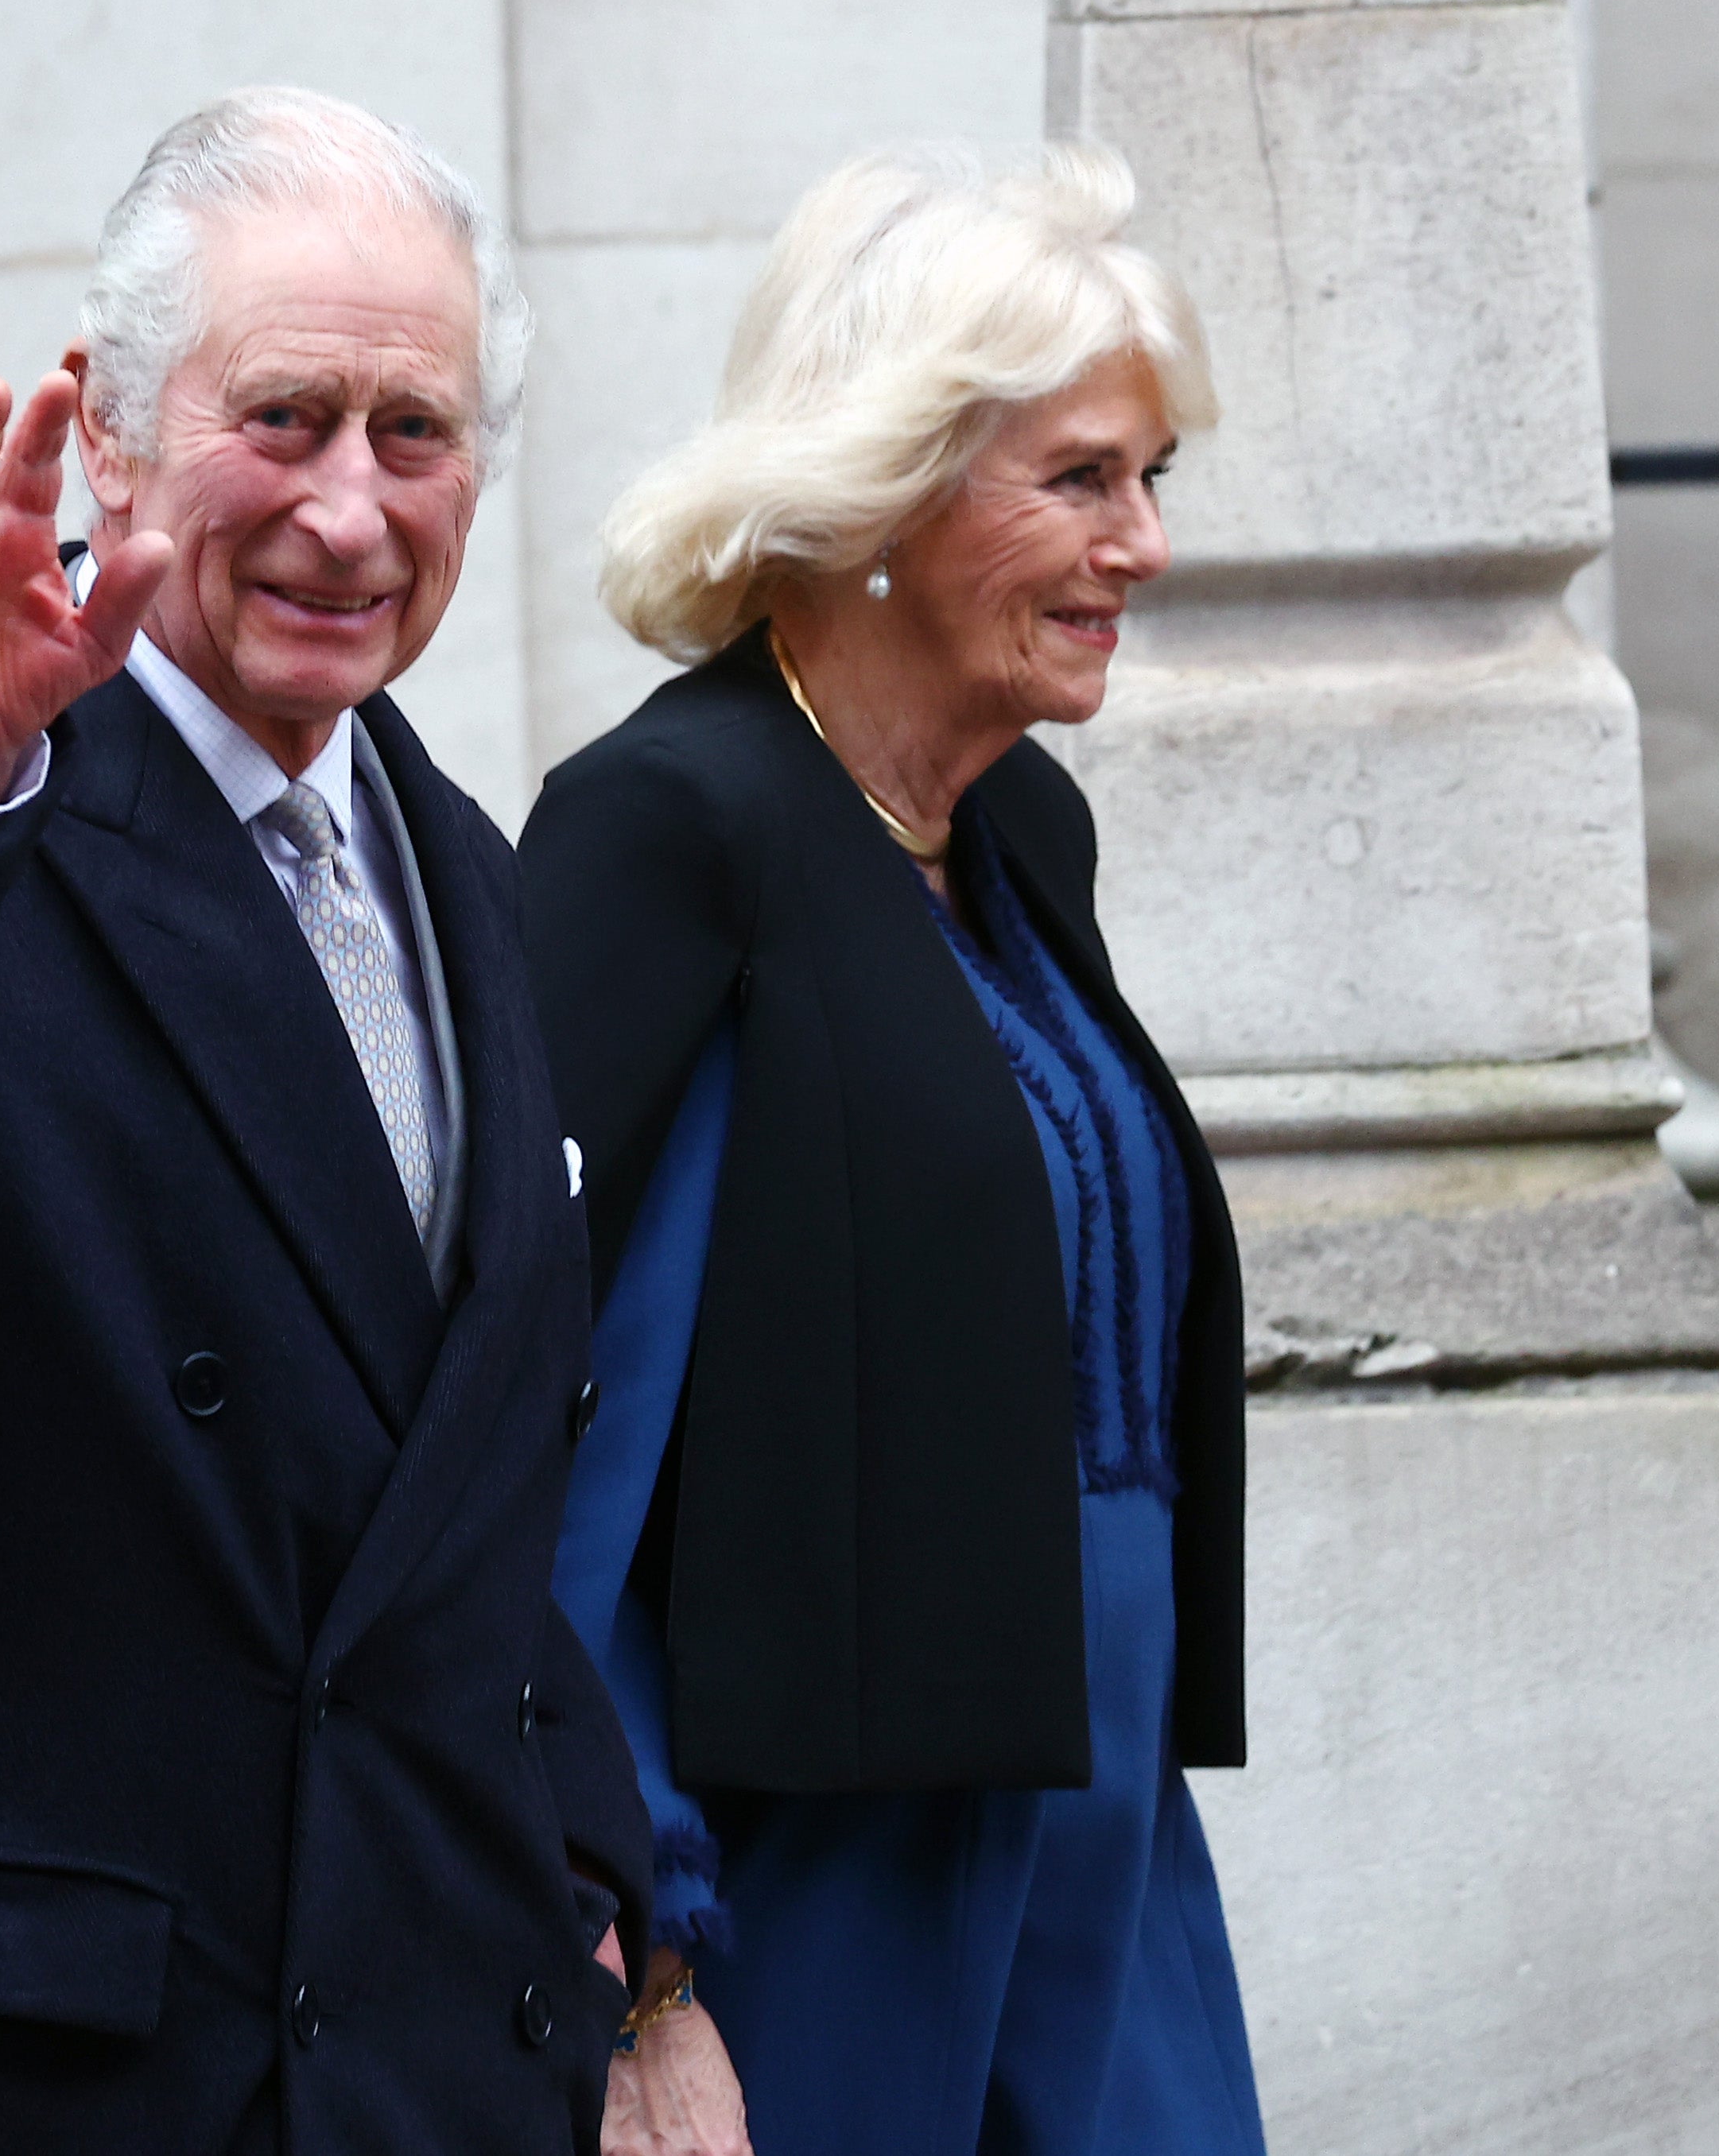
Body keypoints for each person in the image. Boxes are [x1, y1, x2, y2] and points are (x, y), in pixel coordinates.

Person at [0, 88, 648, 2156]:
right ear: (120, 439)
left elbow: (461, 1537)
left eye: (413, 435)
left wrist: (633, 1950)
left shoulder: (470, 876)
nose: (351, 510)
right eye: (288, 418)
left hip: (409, 2081)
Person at [522, 145, 1266, 2156]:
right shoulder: (673, 832)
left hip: (1104, 1845)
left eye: (1150, 478)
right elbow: (557, 1466)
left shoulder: (1021, 835)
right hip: (813, 1898)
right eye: (1081, 479)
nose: (1142, 545)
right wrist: (634, 1966)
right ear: (886, 484)